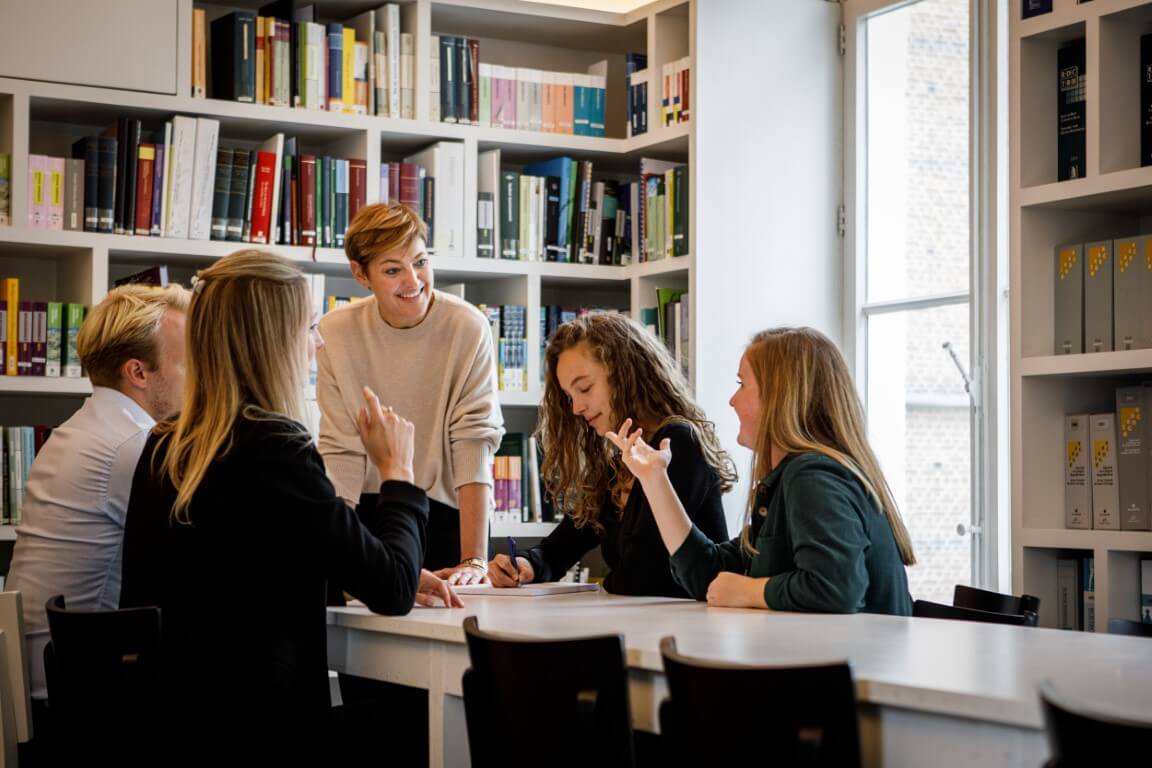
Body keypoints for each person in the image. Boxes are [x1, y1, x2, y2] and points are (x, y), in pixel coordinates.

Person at [119, 250, 459, 759]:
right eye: (308, 328)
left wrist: (360, 570)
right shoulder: (274, 445)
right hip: (264, 730)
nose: (318, 344)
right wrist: (398, 472)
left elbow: (243, 567)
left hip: (179, 724)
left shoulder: (165, 443)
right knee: (429, 722)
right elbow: (391, 589)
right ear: (272, 341)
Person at [608, 326, 915, 615]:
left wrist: (749, 591)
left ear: (779, 397)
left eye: (742, 385)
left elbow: (836, 587)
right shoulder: (788, 480)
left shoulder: (812, 477)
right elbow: (709, 577)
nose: (732, 400)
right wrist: (655, 480)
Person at [7, 283, 189, 708]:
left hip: (35, 680)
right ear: (138, 372)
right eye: (189, 363)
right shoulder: (133, 446)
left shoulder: (78, 430)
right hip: (76, 695)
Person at [318, 202, 504, 586]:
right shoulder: (334, 332)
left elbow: (473, 441)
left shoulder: (468, 327)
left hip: (447, 515)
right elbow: (340, 451)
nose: (413, 280)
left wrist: (474, 560)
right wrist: (337, 558)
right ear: (360, 274)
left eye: (420, 262)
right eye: (392, 270)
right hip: (365, 515)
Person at [488, 313, 734, 597]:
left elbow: (643, 575)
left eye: (585, 388)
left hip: (691, 621)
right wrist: (525, 565)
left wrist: (608, 584)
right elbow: (560, 548)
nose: (576, 408)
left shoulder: (676, 444)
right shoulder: (620, 461)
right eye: (570, 396)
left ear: (625, 373)